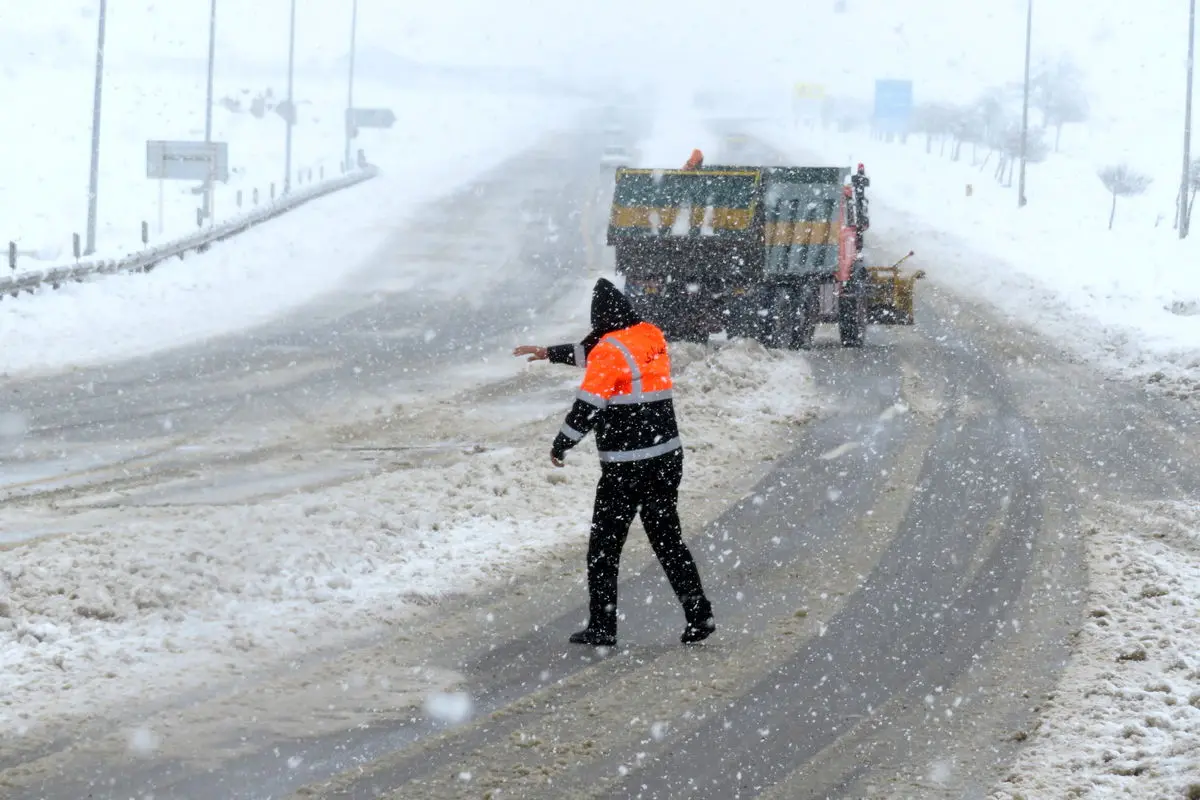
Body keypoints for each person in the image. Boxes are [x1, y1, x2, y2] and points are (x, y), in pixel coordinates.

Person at [513, 278, 716, 647]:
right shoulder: (649, 335)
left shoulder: (608, 350)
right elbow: (597, 353)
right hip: (667, 456)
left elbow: (588, 405)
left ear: (602, 318)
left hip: (627, 466)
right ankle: (699, 613)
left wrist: (562, 444)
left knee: (603, 549)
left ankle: (603, 626)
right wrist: (550, 352)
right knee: (669, 541)